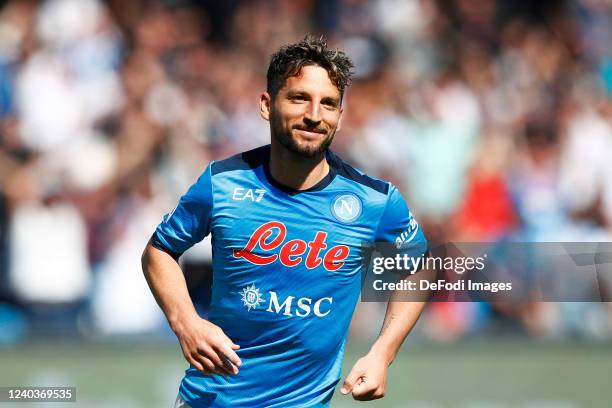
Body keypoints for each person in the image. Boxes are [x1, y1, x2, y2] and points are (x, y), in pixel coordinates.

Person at [142, 35, 431, 407]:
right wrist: (185, 321)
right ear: (266, 104)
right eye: (299, 98)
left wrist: (383, 352)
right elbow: (160, 250)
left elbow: (420, 266)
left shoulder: (375, 201)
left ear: (340, 117)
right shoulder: (223, 183)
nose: (314, 115)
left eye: (328, 104)